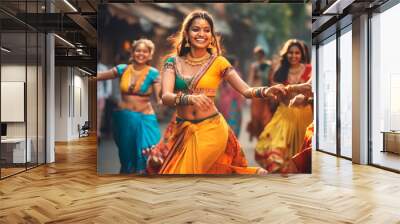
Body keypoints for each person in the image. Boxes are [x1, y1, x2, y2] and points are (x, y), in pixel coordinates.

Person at [159, 10, 286, 175]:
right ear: (186, 33)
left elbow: (246, 90)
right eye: (196, 29)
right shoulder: (172, 62)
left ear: (212, 36)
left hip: (212, 129)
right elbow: (165, 97)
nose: (201, 34)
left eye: (206, 30)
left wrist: (267, 90)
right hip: (183, 131)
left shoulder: (219, 62)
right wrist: (189, 98)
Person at [97, 38, 162, 174]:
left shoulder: (153, 73)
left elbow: (159, 98)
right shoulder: (122, 69)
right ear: (132, 52)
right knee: (126, 156)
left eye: (145, 51)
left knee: (147, 153)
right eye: (138, 50)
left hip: (145, 119)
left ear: (150, 54)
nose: (141, 54)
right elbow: (99, 76)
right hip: (124, 119)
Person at [255, 39, 313, 173]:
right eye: (290, 53)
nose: (293, 56)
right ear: (285, 54)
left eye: (297, 53)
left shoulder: (310, 70)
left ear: (302, 54)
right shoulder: (280, 71)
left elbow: (311, 89)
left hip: (305, 116)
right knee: (274, 149)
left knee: (301, 153)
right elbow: (276, 95)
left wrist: (294, 90)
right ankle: (282, 177)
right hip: (284, 114)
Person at [246, 47, 274, 141]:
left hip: (266, 94)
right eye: (258, 54)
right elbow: (251, 79)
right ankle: (257, 136)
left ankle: (264, 137)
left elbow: (271, 79)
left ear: (263, 54)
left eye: (261, 53)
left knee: (265, 117)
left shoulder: (269, 65)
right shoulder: (254, 66)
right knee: (255, 117)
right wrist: (248, 92)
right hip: (256, 95)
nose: (259, 55)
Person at [216, 55, 245, 137]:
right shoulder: (236, 74)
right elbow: (239, 92)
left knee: (223, 122)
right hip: (233, 103)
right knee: (234, 124)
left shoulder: (221, 74)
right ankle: (231, 142)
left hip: (222, 102)